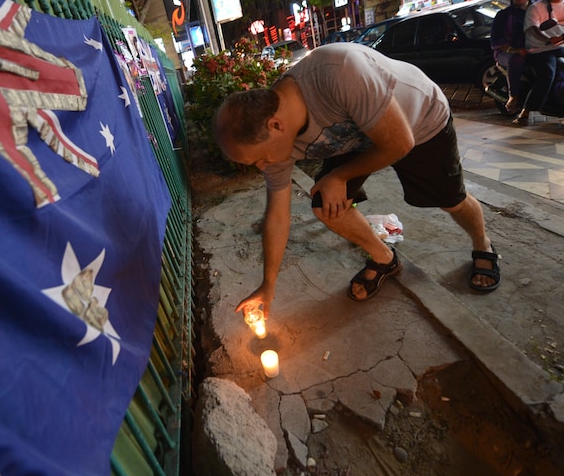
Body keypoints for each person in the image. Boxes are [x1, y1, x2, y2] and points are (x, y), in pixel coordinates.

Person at [213, 44, 501, 320]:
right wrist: (268, 286)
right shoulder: (274, 139)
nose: (263, 167)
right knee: (326, 204)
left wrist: (339, 176)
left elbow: (399, 143)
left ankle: (483, 245)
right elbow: (277, 216)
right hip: (356, 138)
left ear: (275, 126)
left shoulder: (340, 72)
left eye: (259, 159)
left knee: (451, 201)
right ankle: (385, 258)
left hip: (420, 121)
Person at [490, 0, 535, 113]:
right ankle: (513, 96)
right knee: (517, 61)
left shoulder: (538, 10)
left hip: (535, 48)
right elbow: (496, 40)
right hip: (508, 53)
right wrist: (514, 50)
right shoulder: (504, 15)